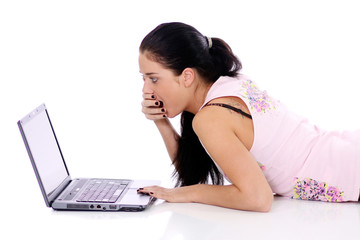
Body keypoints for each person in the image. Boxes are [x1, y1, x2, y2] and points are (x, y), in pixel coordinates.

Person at [137, 22, 360, 212]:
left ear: (187, 76)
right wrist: (160, 120)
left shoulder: (211, 118)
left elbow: (257, 199)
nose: (146, 90)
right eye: (143, 79)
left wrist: (182, 194)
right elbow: (191, 168)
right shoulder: (228, 86)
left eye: (153, 79)